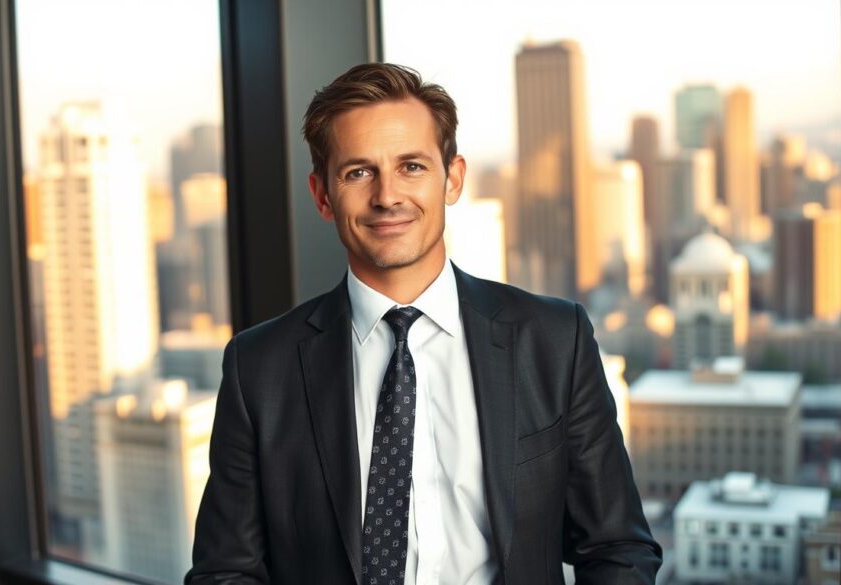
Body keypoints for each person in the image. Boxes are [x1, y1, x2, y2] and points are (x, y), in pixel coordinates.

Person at [186, 63, 661, 585]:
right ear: (322, 195)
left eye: (411, 166)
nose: (387, 195)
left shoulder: (552, 340)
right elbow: (225, 572)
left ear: (452, 179)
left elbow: (617, 547)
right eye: (358, 172)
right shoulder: (259, 368)